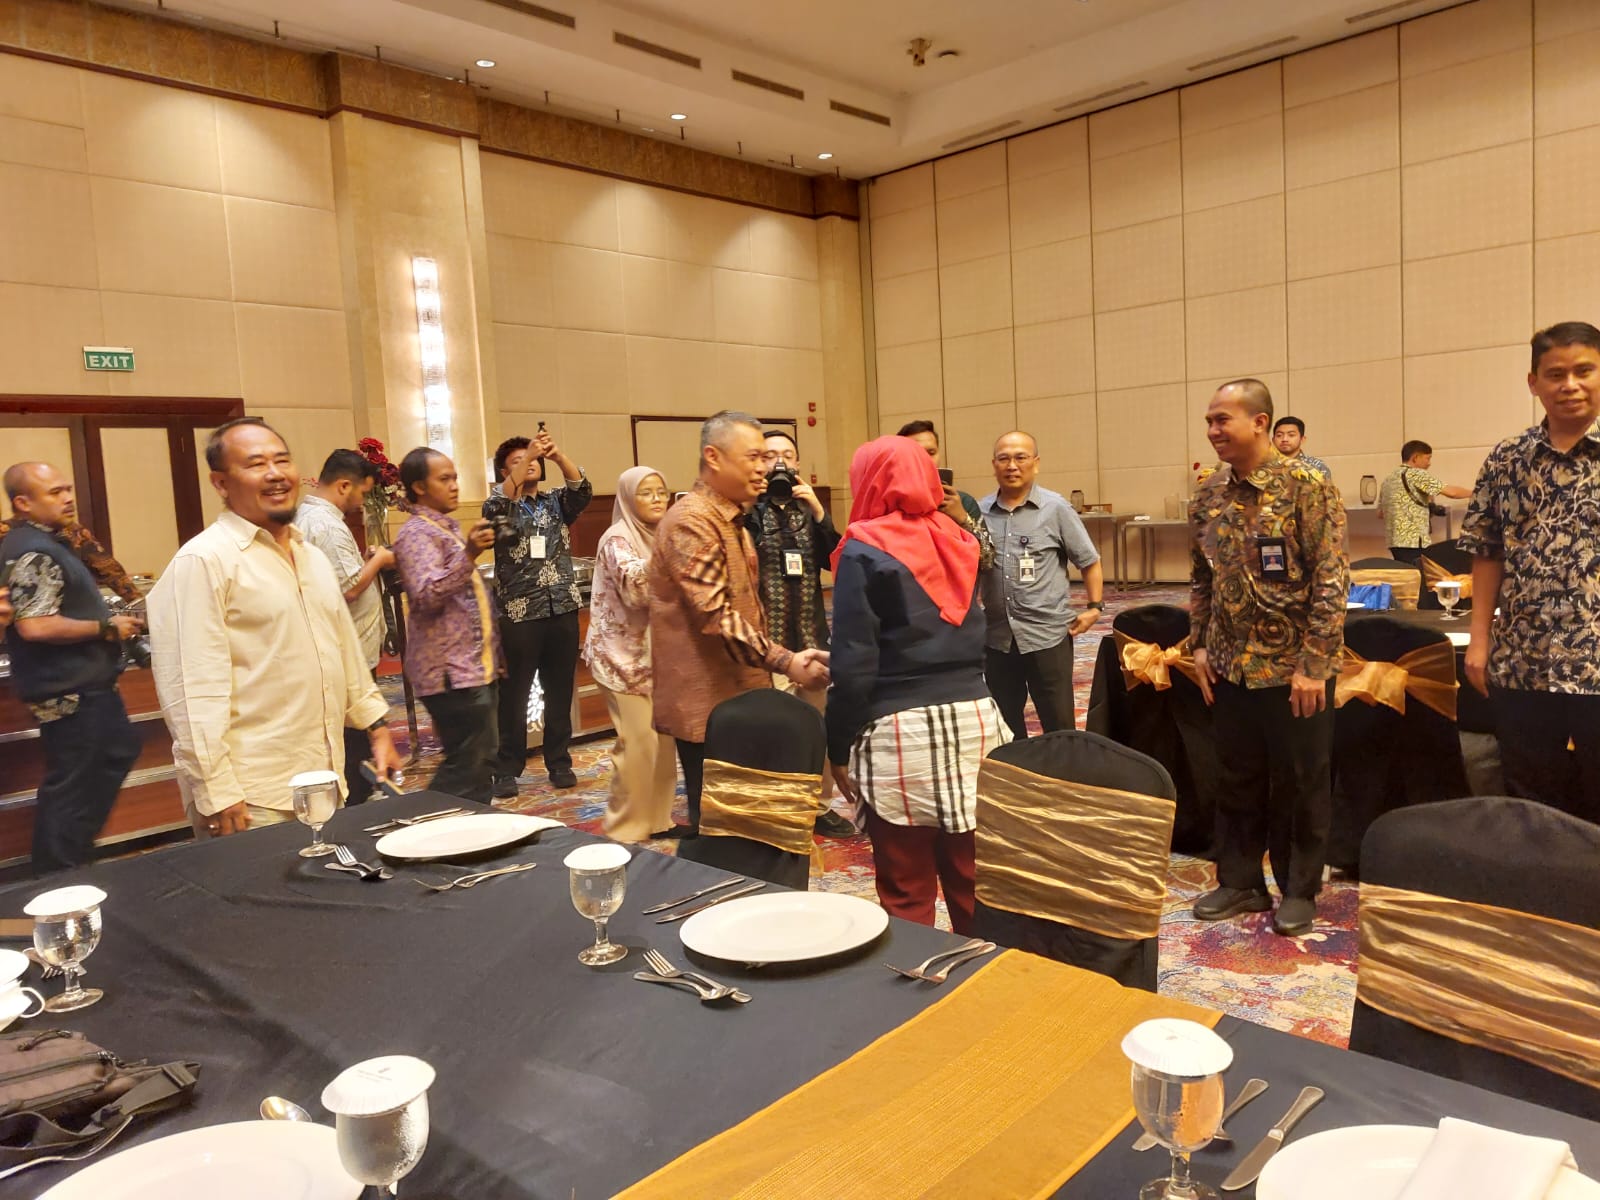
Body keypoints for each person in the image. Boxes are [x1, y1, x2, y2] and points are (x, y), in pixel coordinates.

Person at [148, 418, 401, 839]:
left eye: (281, 460)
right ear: (221, 483)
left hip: (323, 775)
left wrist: (376, 727)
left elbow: (343, 652)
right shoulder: (204, 562)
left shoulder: (310, 557)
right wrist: (216, 789)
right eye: (255, 464)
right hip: (252, 794)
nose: (274, 473)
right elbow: (191, 689)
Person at [827, 435, 1007, 933]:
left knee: (906, 888)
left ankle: (916, 977)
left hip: (898, 731)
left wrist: (837, 745)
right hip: (976, 722)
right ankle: (985, 975)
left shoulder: (863, 547)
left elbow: (853, 665)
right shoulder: (962, 538)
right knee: (975, 881)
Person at [1188, 379, 1348, 937]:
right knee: (1236, 775)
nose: (1213, 430)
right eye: (1209, 421)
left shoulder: (1307, 485)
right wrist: (1199, 643)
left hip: (1294, 667)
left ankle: (1299, 888)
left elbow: (1331, 577)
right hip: (1230, 663)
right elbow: (1201, 577)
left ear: (1260, 422)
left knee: (1302, 779)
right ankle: (1240, 882)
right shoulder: (1208, 494)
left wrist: (1315, 665)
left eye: (1222, 419)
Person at [649, 411, 830, 836]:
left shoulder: (730, 518)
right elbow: (714, 616)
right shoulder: (693, 521)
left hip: (739, 693)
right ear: (714, 457)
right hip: (708, 704)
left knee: (750, 819)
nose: (764, 468)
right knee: (723, 829)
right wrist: (786, 661)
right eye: (753, 457)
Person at [1460, 322, 1600, 820]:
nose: (1570, 385)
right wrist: (1479, 640)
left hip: (1597, 660)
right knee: (1530, 803)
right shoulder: (1507, 459)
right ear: (1533, 382)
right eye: (1556, 374)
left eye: (1584, 371)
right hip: (1523, 659)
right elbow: (1487, 552)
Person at [1, 462, 142, 873]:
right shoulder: (34, 550)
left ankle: (70, 863)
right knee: (75, 784)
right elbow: (35, 625)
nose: (67, 498)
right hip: (69, 689)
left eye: (67, 489)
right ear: (23, 503)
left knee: (112, 755)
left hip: (82, 683)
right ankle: (57, 875)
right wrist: (106, 627)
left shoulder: (51, 541)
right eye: (54, 492)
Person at [747, 428, 854, 837]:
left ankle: (819, 806)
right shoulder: (747, 512)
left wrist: (820, 513)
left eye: (786, 455)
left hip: (813, 640)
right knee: (773, 730)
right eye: (768, 455)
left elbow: (839, 561)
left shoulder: (809, 510)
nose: (778, 462)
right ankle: (777, 809)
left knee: (817, 727)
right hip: (768, 645)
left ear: (797, 463)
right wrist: (754, 504)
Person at [482, 430, 592, 796]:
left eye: (532, 460)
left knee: (559, 690)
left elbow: (582, 490)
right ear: (503, 472)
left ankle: (559, 762)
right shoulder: (500, 506)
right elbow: (497, 503)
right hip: (520, 612)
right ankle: (506, 768)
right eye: (518, 461)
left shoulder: (555, 501)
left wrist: (557, 456)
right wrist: (529, 452)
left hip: (561, 605)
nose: (530, 463)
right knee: (514, 694)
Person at [392, 447, 503, 805]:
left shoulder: (445, 528)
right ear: (419, 487)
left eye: (455, 477)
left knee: (482, 759)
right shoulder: (416, 534)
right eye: (445, 479)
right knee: (468, 761)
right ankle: (424, 819)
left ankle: (475, 827)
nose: (455, 485)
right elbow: (426, 596)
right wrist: (469, 554)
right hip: (448, 672)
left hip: (471, 666)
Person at [979, 431, 1104, 738]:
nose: (1012, 465)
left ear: (1035, 463)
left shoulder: (1055, 508)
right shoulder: (980, 513)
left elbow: (1089, 561)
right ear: (994, 465)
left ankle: (1062, 768)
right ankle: (1015, 769)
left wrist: (1094, 607)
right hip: (998, 638)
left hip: (1047, 635)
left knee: (1058, 723)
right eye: (1004, 458)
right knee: (1004, 726)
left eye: (1020, 457)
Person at [295, 449, 396, 805]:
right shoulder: (325, 524)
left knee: (352, 730)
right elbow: (349, 588)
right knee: (353, 732)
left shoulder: (312, 518)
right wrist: (380, 560)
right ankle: (357, 800)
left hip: (346, 645)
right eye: (362, 493)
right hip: (347, 646)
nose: (362, 502)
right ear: (343, 486)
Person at [583, 467, 678, 842]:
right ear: (627, 498)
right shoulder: (616, 538)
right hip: (619, 657)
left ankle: (658, 820)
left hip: (658, 655)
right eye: (646, 492)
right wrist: (674, 553)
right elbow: (636, 589)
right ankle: (625, 828)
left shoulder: (663, 534)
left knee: (664, 740)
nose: (657, 499)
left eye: (661, 491)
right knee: (639, 743)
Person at [895, 419, 998, 569]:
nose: (926, 460)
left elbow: (987, 562)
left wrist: (963, 519)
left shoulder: (962, 502)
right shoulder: (890, 503)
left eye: (931, 453)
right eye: (916, 453)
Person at [0, 515, 140, 605]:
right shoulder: (6, 532)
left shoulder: (72, 532)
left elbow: (111, 571)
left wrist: (138, 604)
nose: (67, 499)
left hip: (72, 616)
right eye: (54, 493)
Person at [1376, 441, 1472, 566]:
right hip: (1414, 540)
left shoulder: (1388, 479)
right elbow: (1452, 492)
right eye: (1427, 458)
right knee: (1420, 574)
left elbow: (1380, 513)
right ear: (1415, 457)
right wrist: (1476, 493)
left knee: (1406, 573)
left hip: (1394, 542)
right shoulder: (1416, 474)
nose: (1429, 463)